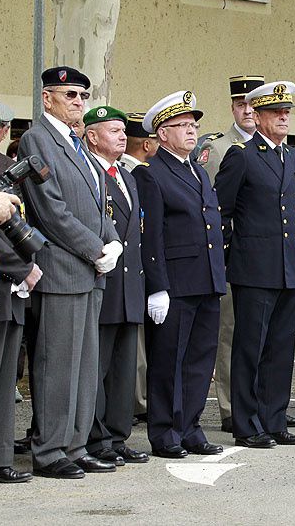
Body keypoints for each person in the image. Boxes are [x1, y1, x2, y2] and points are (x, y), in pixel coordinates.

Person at [18, 66, 122, 478]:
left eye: (82, 96)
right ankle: (49, 451)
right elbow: (51, 210)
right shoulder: (36, 139)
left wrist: (113, 241)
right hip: (62, 269)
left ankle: (76, 445)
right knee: (57, 365)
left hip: (89, 272)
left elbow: (100, 204)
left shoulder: (77, 144)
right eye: (70, 95)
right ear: (48, 99)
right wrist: (96, 248)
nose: (79, 102)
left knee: (83, 367)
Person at [134, 90, 226, 458]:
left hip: (205, 280)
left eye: (193, 125)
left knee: (200, 360)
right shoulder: (152, 174)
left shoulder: (199, 171)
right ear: (161, 134)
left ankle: (190, 426)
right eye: (182, 125)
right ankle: (165, 432)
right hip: (175, 283)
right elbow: (151, 235)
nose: (191, 131)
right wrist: (158, 287)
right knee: (168, 361)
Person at [215, 81, 295, 449]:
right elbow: (221, 211)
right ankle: (247, 423)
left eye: (286, 112)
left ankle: (274, 418)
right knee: (250, 347)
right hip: (253, 266)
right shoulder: (243, 155)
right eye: (275, 112)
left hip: (287, 266)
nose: (284, 117)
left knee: (281, 348)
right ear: (257, 115)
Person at [197, 75, 266, 434]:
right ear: (233, 108)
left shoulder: (272, 148)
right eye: (242, 105)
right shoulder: (218, 147)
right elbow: (212, 205)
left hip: (262, 257)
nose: (249, 112)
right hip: (230, 253)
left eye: (255, 105)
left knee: (260, 334)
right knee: (230, 330)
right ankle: (228, 405)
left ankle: (260, 403)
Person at [83, 106, 149, 465]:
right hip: (104, 283)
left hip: (129, 287)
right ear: (92, 136)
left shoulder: (127, 174)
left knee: (124, 368)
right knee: (99, 367)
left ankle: (118, 434)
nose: (124, 137)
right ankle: (97, 439)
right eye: (114, 131)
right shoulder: (89, 173)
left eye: (124, 131)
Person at [0, 99, 36, 487]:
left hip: (7, 288)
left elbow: (14, 224)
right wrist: (25, 267)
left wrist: (33, 257)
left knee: (2, 381)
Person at [118, 112, 158, 423]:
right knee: (136, 343)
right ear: (146, 144)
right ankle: (138, 400)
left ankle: (138, 399)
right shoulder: (139, 175)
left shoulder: (130, 173)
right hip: (133, 267)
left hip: (136, 266)